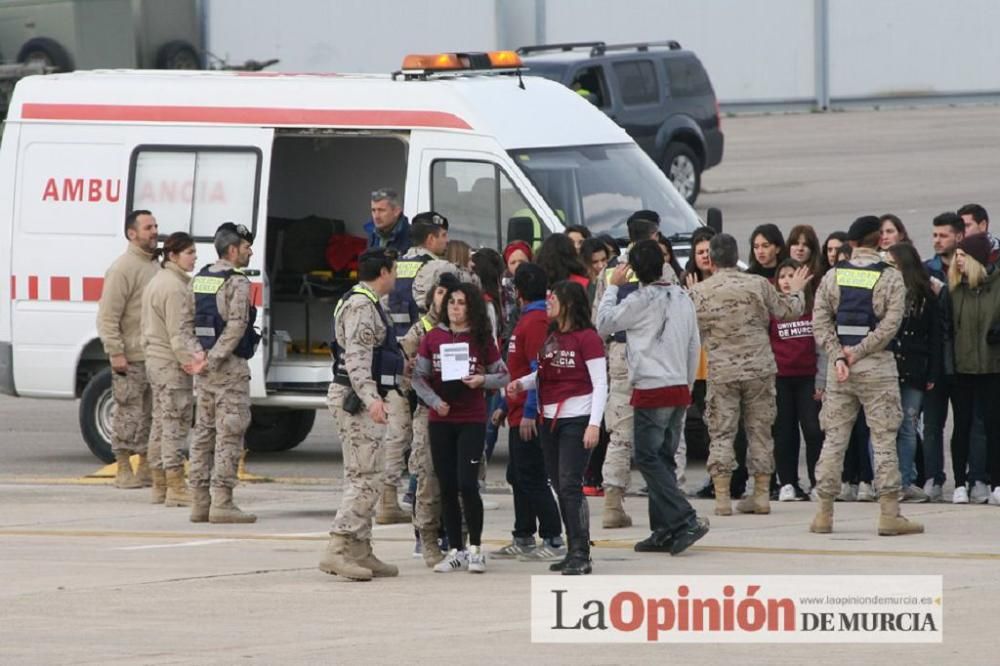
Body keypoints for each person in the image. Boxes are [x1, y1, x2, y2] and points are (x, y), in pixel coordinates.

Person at [809, 216, 923, 536]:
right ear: (879, 240)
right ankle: (889, 514)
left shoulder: (833, 276)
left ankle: (823, 513)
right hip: (876, 367)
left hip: (840, 371)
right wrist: (859, 351)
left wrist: (838, 355)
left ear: (854, 242)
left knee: (834, 439)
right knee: (884, 439)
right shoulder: (890, 277)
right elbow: (890, 325)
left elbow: (820, 322)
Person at [597, 239, 710, 556]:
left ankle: (684, 518)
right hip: (677, 387)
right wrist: (687, 387)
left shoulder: (639, 299)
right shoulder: (682, 297)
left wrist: (611, 287)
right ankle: (663, 529)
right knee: (662, 459)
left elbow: (604, 324)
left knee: (647, 458)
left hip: (651, 387)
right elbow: (693, 345)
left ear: (633, 270)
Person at [689, 233, 810, 517]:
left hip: (723, 371)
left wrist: (690, 295)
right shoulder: (757, 284)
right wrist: (798, 290)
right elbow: (788, 311)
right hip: (759, 369)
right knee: (760, 432)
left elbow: (688, 329)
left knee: (721, 433)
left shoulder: (702, 291)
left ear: (713, 259)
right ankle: (760, 495)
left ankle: (721, 498)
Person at [510, 280, 608, 574]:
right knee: (559, 486)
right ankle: (572, 548)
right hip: (549, 418)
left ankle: (581, 552)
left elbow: (600, 382)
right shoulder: (552, 336)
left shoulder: (587, 338)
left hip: (577, 418)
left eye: (554, 299)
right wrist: (522, 384)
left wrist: (594, 424)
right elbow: (542, 372)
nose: (549, 302)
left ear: (569, 303)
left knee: (569, 485)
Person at [319, 248, 404, 581]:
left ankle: (360, 549)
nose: (396, 276)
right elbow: (356, 359)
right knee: (365, 477)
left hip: (362, 395)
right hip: (356, 399)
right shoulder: (360, 306)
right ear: (383, 272)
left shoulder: (367, 302)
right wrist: (371, 399)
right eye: (394, 270)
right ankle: (337, 549)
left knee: (368, 473)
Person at [413, 282, 509, 574]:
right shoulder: (432, 338)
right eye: (452, 302)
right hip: (441, 419)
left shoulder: (481, 340)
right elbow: (419, 377)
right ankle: (454, 549)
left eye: (462, 303)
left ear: (472, 308)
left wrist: (482, 382)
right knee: (447, 484)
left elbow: (503, 375)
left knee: (468, 484)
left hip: (471, 418)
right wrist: (434, 401)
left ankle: (476, 548)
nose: (455, 307)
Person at [379, 211, 452, 525]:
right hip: (425, 356)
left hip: (395, 356)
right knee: (424, 429)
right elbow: (449, 310)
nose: (446, 242)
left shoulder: (393, 265)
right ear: (432, 237)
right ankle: (423, 497)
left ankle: (386, 499)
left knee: (396, 432)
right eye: (443, 236)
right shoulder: (439, 267)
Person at [188, 222, 262, 524]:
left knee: (203, 433)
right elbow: (236, 326)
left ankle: (199, 502)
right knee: (230, 433)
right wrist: (215, 358)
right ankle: (223, 502)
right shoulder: (238, 282)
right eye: (246, 247)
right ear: (233, 250)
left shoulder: (200, 277)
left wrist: (198, 356)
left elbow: (184, 323)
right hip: (228, 370)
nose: (250, 251)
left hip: (203, 369)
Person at [593, 211, 662, 528]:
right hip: (653, 352)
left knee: (620, 431)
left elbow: (599, 319)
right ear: (652, 235)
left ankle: (612, 503)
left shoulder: (610, 271)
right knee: (660, 429)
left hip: (619, 351)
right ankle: (664, 502)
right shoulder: (658, 266)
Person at [492, 264, 565, 562]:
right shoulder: (528, 319)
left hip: (528, 415)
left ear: (517, 291)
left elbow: (540, 370)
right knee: (517, 474)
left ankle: (552, 536)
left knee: (531, 475)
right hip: (516, 409)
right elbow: (517, 370)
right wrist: (502, 407)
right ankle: (523, 535)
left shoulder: (535, 322)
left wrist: (529, 413)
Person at [97, 210, 160, 489]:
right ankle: (123, 468)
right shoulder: (123, 268)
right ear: (132, 233)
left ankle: (145, 467)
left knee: (151, 413)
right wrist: (116, 351)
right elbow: (108, 315)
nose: (154, 231)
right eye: (148, 227)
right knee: (127, 412)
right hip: (130, 356)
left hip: (153, 355)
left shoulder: (155, 266)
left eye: (155, 226)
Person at [401, 270, 459, 567]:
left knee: (462, 479)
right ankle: (426, 537)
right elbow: (401, 369)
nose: (447, 299)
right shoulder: (420, 330)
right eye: (440, 292)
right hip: (429, 411)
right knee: (427, 476)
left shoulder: (468, 330)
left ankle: (457, 535)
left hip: (461, 412)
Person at [140, 232, 202, 507]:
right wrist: (190, 361)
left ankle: (159, 485)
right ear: (173, 256)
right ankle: (176, 485)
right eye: (189, 252)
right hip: (170, 363)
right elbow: (178, 333)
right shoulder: (175, 288)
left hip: (154, 360)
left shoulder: (158, 281)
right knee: (175, 424)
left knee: (160, 422)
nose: (194, 257)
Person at [947, 234, 1000, 506]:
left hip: (992, 366)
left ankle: (996, 483)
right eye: (956, 256)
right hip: (962, 368)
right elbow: (945, 331)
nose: (957, 261)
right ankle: (959, 483)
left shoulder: (997, 285)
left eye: (962, 256)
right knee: (962, 426)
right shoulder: (954, 291)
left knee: (994, 426)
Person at [888, 242, 942, 503]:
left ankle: (906, 480)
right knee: (885, 427)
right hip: (887, 368)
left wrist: (931, 373)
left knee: (908, 426)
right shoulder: (884, 293)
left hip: (914, 369)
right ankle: (886, 482)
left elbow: (934, 338)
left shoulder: (925, 296)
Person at [768, 258, 822, 501]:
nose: (787, 281)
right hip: (780, 379)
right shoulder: (773, 310)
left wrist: (822, 380)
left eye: (792, 275)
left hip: (808, 378)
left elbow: (822, 345)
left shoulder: (812, 307)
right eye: (782, 276)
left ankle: (817, 481)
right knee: (783, 432)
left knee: (813, 430)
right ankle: (787, 482)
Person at [921, 212, 964, 501]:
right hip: (934, 363)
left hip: (964, 361)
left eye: (943, 235)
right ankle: (933, 478)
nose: (937, 240)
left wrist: (945, 292)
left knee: (968, 425)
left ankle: (973, 478)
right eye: (935, 235)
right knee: (932, 425)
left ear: (959, 237)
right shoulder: (926, 270)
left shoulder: (969, 268)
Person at [364, 188, 410, 253]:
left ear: (396, 211)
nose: (376, 216)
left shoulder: (411, 237)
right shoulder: (372, 233)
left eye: (381, 210)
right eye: (373, 210)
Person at [579, 237, 610, 304]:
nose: (601, 265)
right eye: (595, 262)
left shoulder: (613, 277)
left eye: (603, 259)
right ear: (585, 262)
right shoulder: (580, 286)